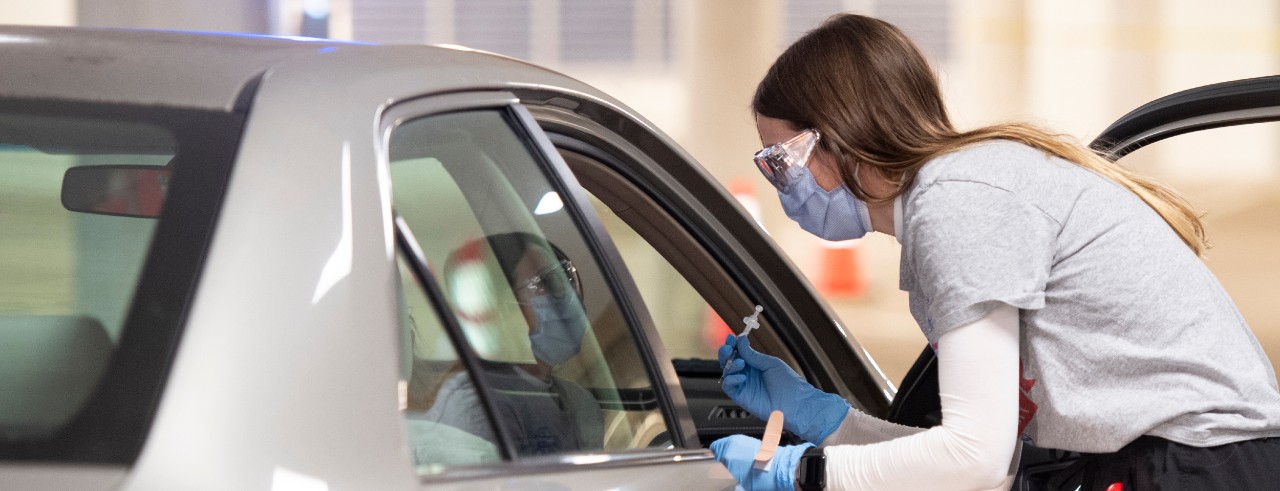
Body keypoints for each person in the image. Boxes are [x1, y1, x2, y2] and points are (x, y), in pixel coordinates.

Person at [710, 13, 1280, 491]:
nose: (780, 183)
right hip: (1173, 463)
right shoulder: (959, 195)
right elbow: (988, 463)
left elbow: (974, 463)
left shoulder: (960, 206)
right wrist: (828, 423)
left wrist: (802, 472)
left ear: (841, 133)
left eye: (780, 159)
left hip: (1199, 465)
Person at [410, 232, 603, 457]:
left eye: (566, 279)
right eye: (545, 282)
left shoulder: (580, 402)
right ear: (500, 307)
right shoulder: (476, 405)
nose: (567, 296)